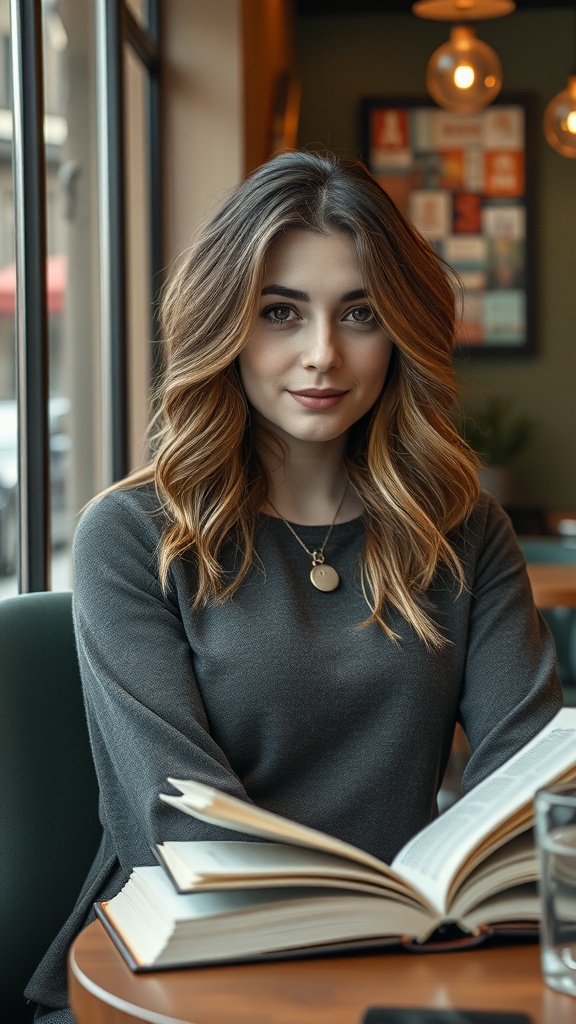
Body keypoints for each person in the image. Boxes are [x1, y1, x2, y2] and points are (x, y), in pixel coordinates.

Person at [27, 150, 562, 1021]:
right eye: (281, 312)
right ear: (228, 322)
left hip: (397, 966)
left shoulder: (465, 531)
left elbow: (526, 785)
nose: (323, 354)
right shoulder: (129, 536)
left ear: (399, 331)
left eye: (360, 313)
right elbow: (175, 830)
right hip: (180, 970)